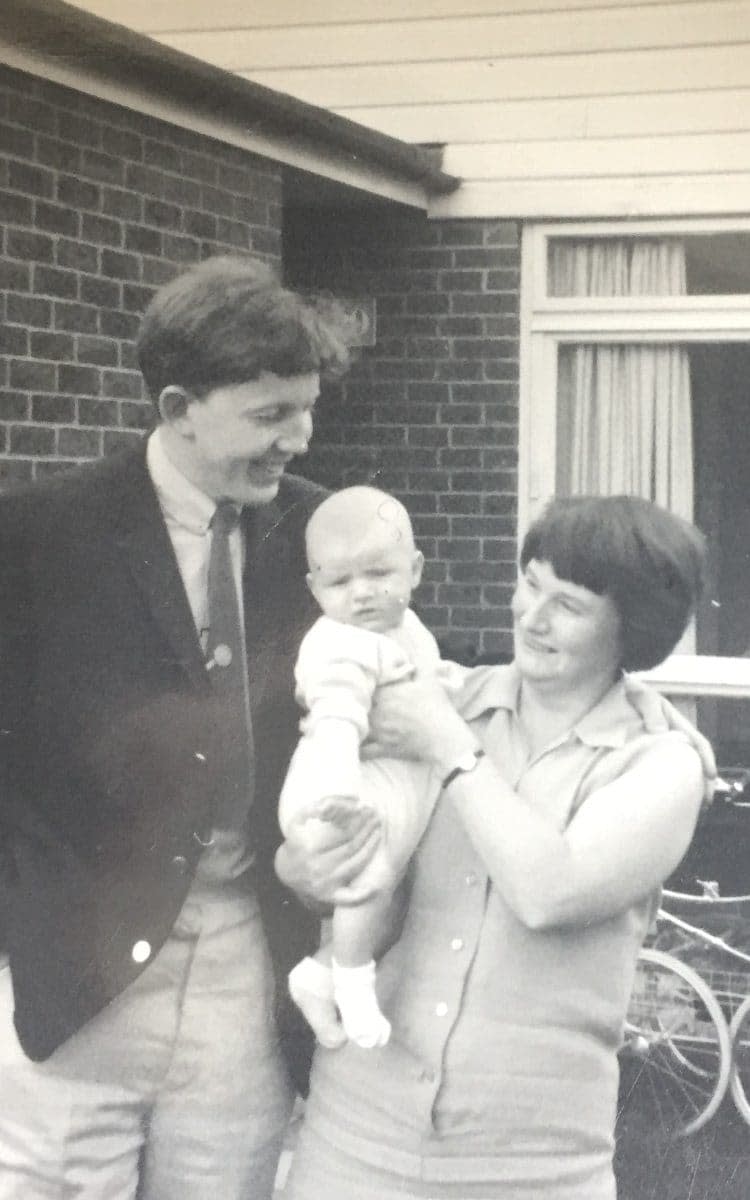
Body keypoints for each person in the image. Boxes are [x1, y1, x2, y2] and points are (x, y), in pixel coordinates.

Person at [0, 254, 379, 1200]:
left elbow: (393, 691)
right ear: (177, 408)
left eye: (305, 408)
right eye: (269, 415)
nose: (299, 438)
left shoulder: (325, 536)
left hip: (243, 972)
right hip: (68, 982)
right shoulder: (36, 538)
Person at [280, 494, 711, 1200]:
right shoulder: (435, 695)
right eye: (530, 584)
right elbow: (333, 789)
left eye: (567, 605)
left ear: (632, 629)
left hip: (529, 1168)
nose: (530, 617)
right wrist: (299, 866)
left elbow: (550, 892)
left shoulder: (660, 765)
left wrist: (453, 749)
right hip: (353, 1144)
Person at [279, 486, 464, 1051]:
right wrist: (340, 796)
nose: (361, 594)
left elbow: (424, 677)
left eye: (378, 574)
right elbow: (337, 722)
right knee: (371, 881)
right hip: (341, 791)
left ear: (415, 571)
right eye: (339, 583)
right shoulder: (338, 644)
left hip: (388, 789)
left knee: (396, 889)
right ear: (315, 590)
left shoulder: (406, 631)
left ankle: (317, 973)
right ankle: (352, 987)